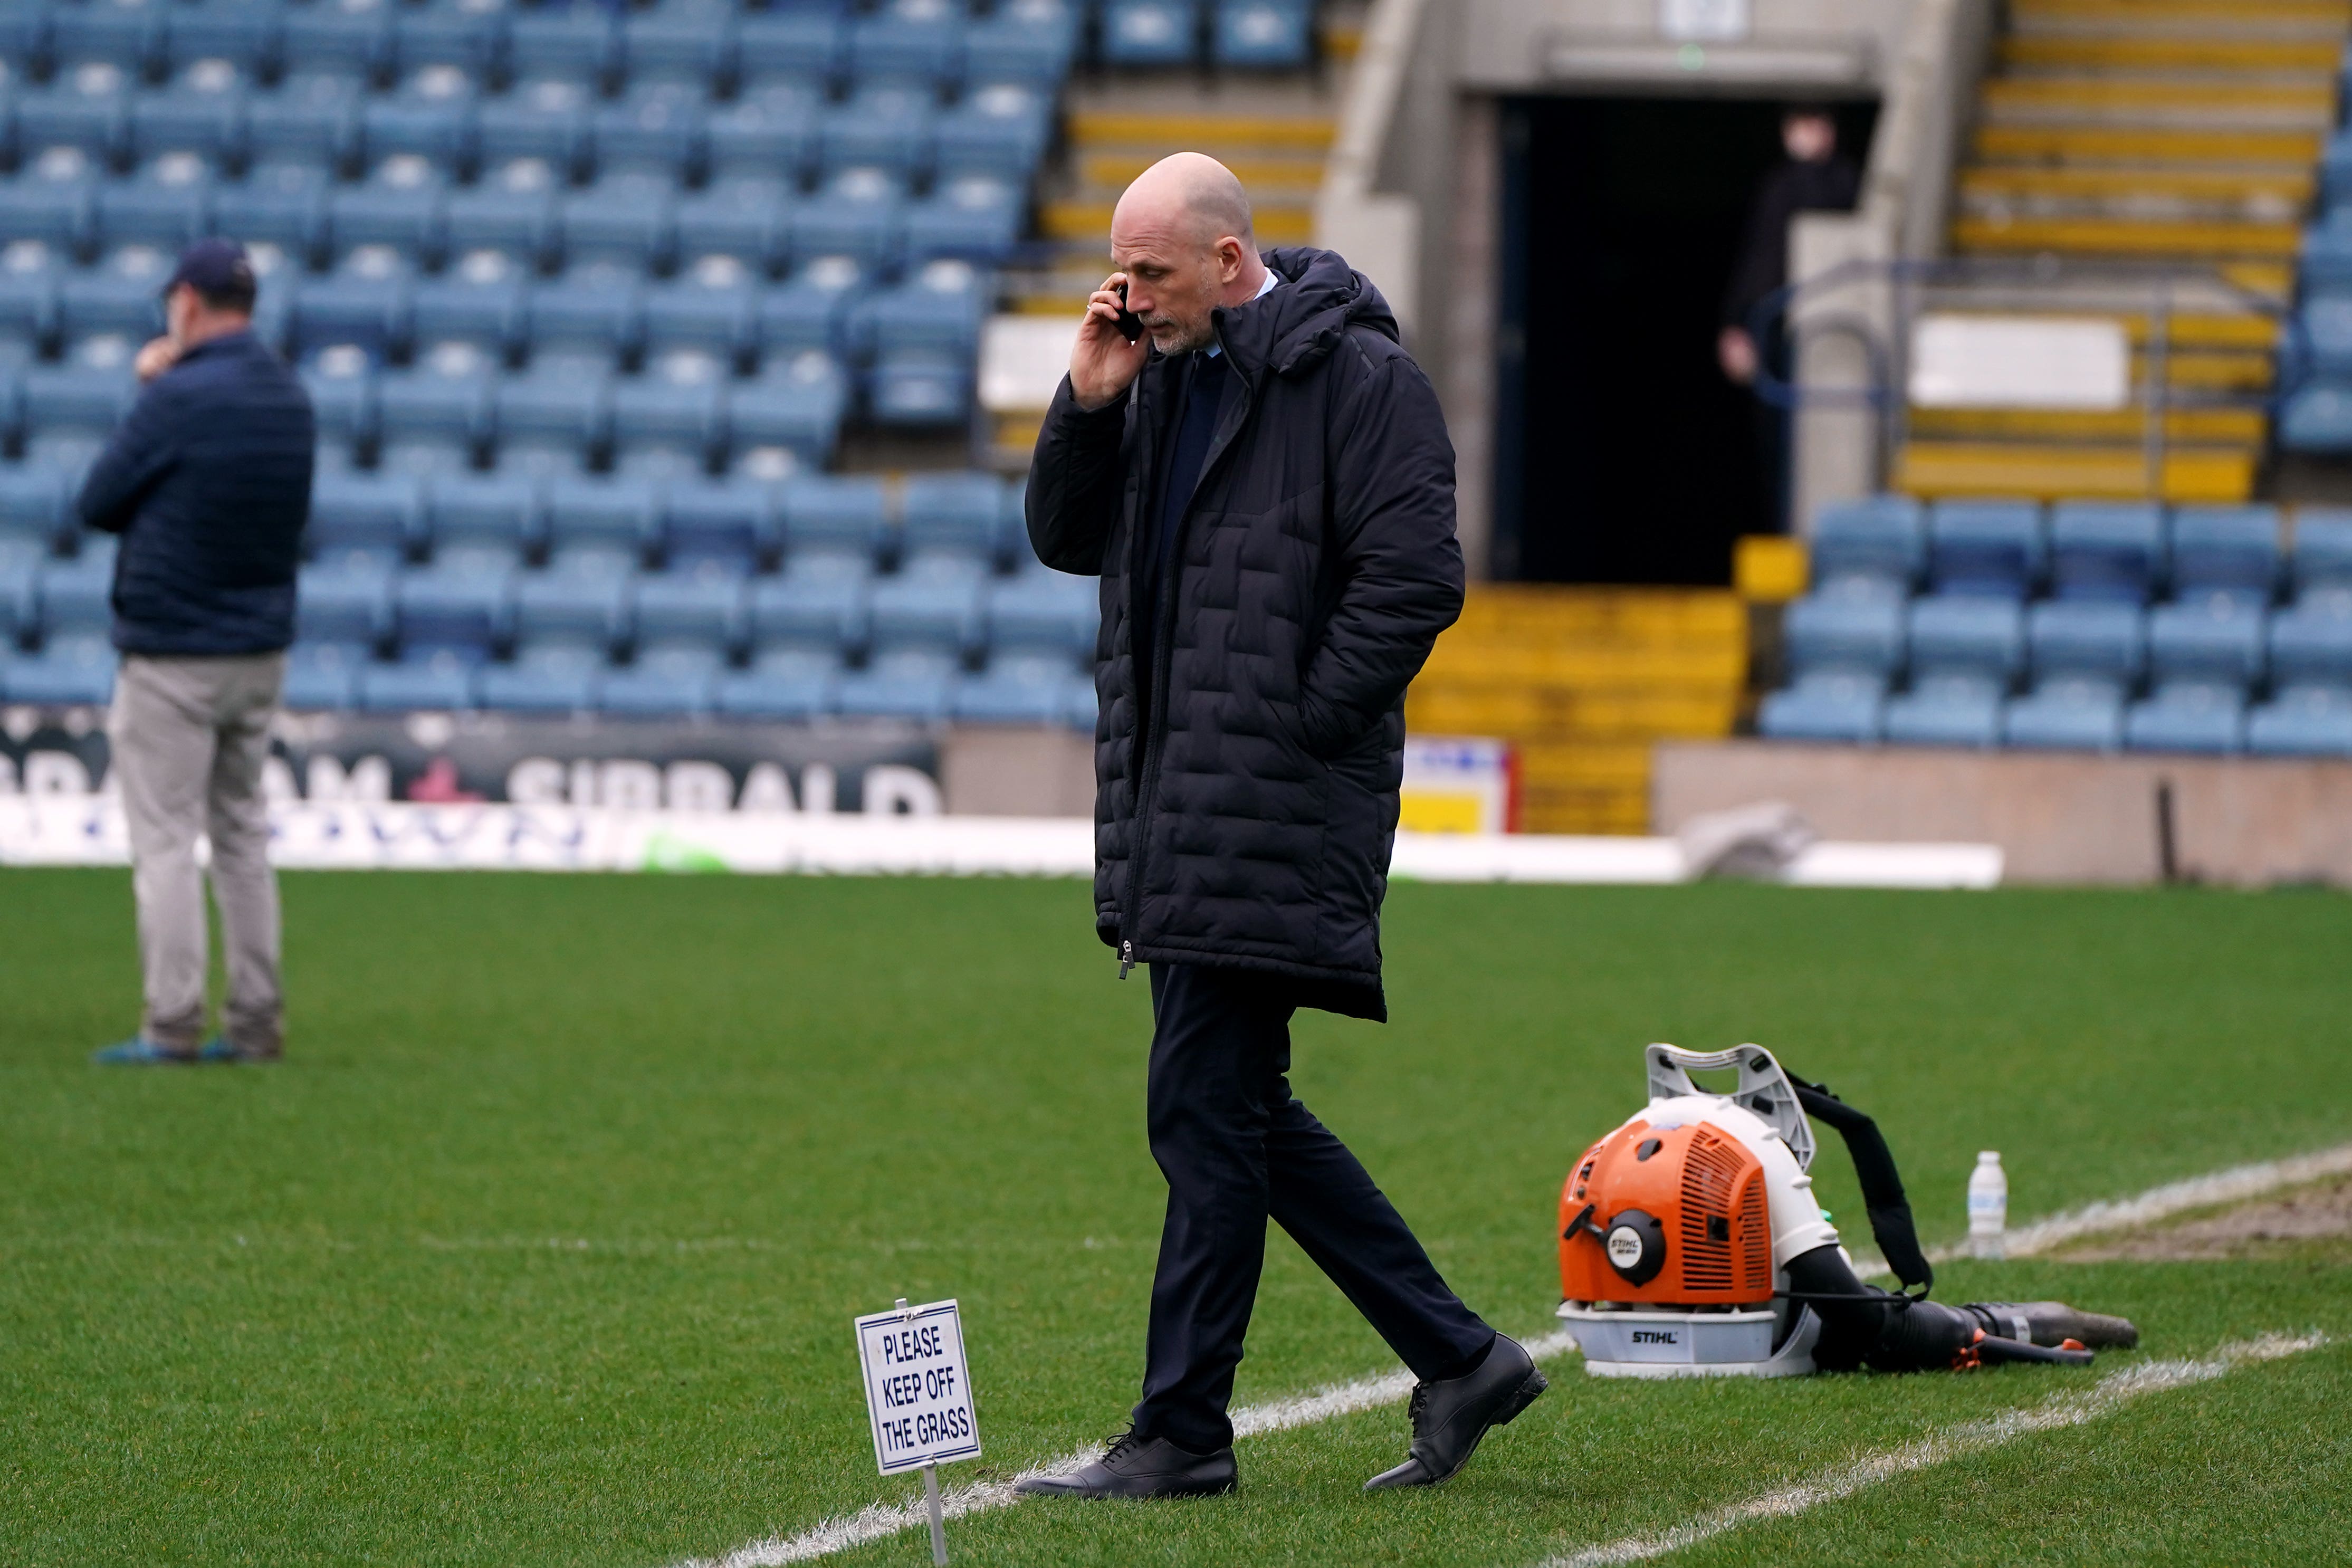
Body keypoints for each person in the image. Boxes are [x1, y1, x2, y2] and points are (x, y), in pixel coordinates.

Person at [1015, 153, 1546, 1501]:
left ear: (1226, 258)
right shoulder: (1154, 371)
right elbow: (1064, 540)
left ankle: (1183, 1430)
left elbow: (1416, 579)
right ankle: (1460, 1355)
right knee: (1233, 1108)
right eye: (1118, 272)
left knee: (1200, 1108)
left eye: (1146, 273)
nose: (1123, 294)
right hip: (1172, 801)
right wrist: (1084, 406)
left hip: (1270, 798)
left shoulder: (1358, 381)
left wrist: (1296, 719)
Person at [84, 238, 315, 1066]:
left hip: (174, 650)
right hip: (259, 650)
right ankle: (256, 1023)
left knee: (166, 842)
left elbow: (100, 500)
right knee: (243, 836)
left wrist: (153, 384)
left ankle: (171, 1023)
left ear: (186, 302)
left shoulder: (178, 396)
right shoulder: (288, 391)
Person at [1717, 105, 1862, 532]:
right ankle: (1778, 526)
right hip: (1770, 322)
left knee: (1810, 438)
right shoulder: (1775, 184)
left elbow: (1827, 216)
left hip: (1817, 323)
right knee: (1770, 437)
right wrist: (1735, 325)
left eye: (1815, 125)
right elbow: (1757, 256)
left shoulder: (1842, 179)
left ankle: (1803, 529)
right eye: (1798, 127)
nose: (1806, 135)